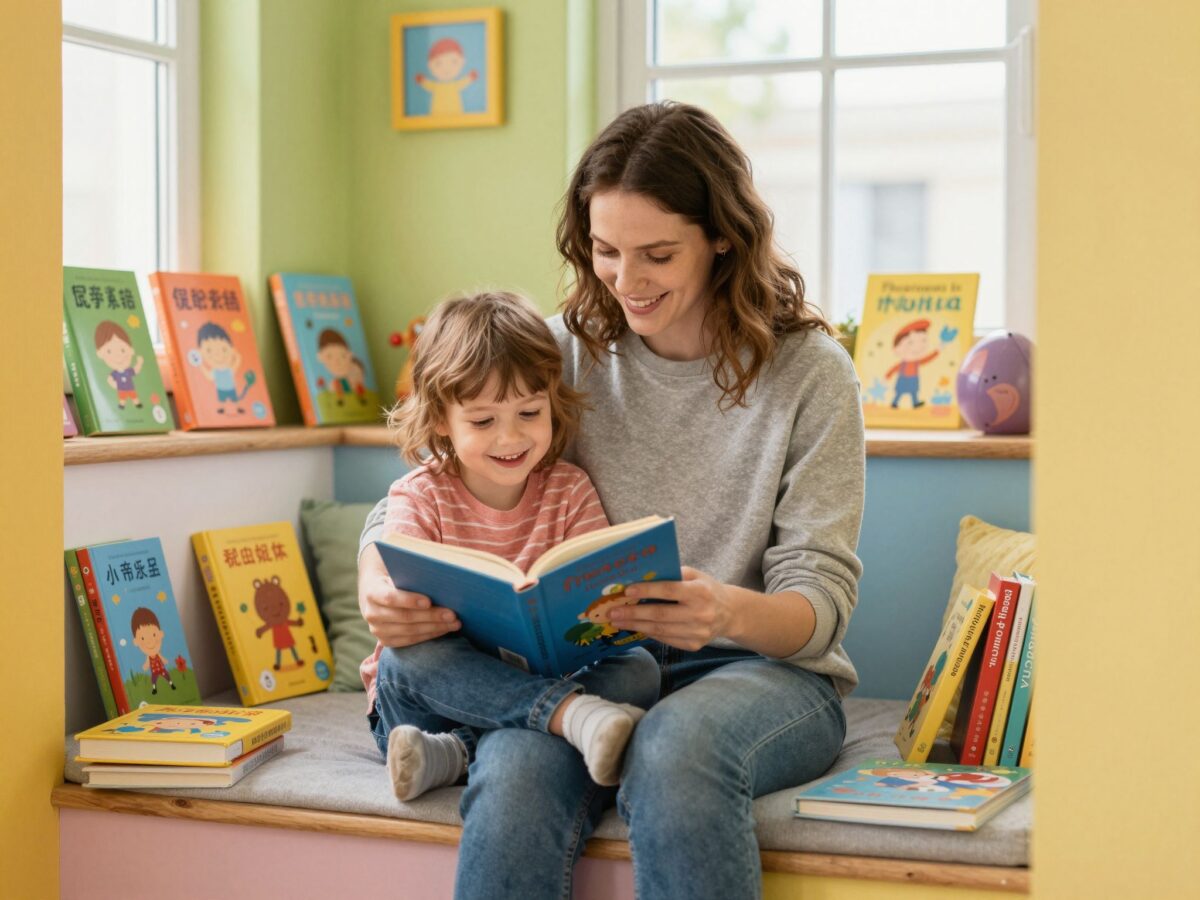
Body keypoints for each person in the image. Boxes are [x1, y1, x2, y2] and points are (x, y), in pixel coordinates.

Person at [357, 102, 865, 899]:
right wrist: (378, 588)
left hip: (764, 672)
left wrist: (725, 613)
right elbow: (423, 481)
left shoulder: (812, 373)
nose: (626, 280)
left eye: (657, 254)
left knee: (676, 750)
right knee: (519, 765)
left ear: (722, 236)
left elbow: (821, 600)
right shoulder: (563, 350)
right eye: (604, 251)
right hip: (590, 676)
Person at [360, 291, 660, 802]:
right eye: (482, 421)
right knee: (402, 660)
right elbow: (399, 601)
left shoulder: (569, 488)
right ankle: (570, 716)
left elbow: (593, 592)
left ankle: (455, 752)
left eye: (529, 412)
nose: (510, 437)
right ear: (439, 419)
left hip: (536, 677)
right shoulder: (418, 495)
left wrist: (611, 612)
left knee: (641, 669)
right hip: (431, 699)